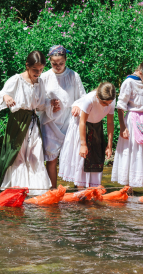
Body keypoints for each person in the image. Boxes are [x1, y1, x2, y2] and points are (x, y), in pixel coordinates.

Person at [0, 51, 60, 195]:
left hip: (33, 123)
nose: (38, 73)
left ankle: (36, 192)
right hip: (18, 123)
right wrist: (6, 97)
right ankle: (16, 190)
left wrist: (50, 103)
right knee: (19, 157)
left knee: (36, 156)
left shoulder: (39, 82)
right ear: (27, 66)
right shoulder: (17, 79)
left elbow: (40, 104)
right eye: (35, 70)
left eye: (41, 70)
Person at [40, 45, 86, 188]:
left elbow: (83, 98)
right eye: (54, 63)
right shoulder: (44, 77)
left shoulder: (73, 75)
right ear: (49, 61)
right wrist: (49, 103)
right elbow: (38, 100)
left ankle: (79, 190)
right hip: (50, 121)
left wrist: (78, 105)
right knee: (52, 159)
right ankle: (53, 190)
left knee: (74, 157)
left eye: (61, 63)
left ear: (66, 60)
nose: (58, 66)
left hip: (69, 121)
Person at [58, 82, 116, 188]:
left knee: (96, 157)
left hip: (96, 126)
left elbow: (110, 122)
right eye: (104, 103)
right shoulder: (89, 100)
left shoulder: (111, 100)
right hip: (81, 127)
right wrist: (83, 144)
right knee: (82, 159)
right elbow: (82, 122)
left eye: (110, 103)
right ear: (98, 97)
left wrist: (109, 145)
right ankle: (80, 190)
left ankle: (93, 188)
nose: (107, 105)